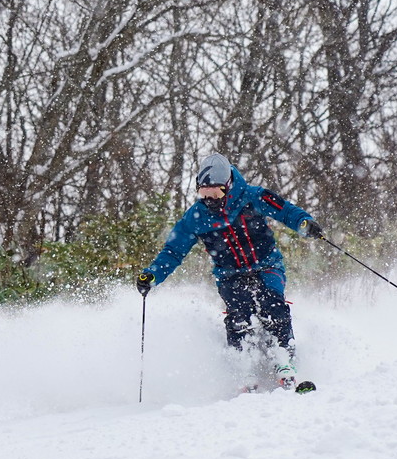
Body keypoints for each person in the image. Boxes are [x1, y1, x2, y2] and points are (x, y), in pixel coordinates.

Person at [136, 153, 323, 390]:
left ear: (229, 185)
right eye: (204, 194)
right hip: (229, 274)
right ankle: (244, 368)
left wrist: (304, 223)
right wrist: (153, 274)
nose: (211, 200)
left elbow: (286, 211)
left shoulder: (253, 197)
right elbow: (174, 250)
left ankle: (284, 360)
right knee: (239, 311)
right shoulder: (196, 217)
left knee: (272, 301)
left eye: (216, 194)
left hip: (267, 265)